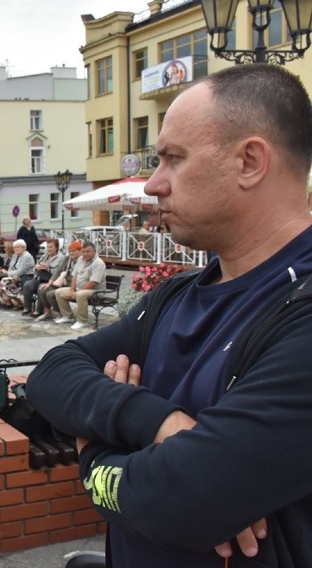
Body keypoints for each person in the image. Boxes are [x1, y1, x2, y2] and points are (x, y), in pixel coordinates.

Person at [25, 64, 312, 567]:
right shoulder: (177, 295)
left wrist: (94, 454)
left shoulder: (300, 311)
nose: (154, 185)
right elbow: (50, 374)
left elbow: (184, 501)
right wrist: (157, 422)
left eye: (173, 159)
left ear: (250, 161)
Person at [53, 241, 105, 330]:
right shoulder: (81, 260)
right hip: (79, 289)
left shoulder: (98, 263)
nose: (85, 254)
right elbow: (75, 276)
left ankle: (82, 321)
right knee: (58, 292)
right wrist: (72, 290)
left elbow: (93, 283)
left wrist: (77, 291)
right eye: (84, 251)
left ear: (94, 252)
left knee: (80, 294)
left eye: (88, 251)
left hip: (96, 291)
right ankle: (68, 316)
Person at [35, 241, 81, 321]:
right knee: (43, 289)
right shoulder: (67, 258)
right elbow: (58, 271)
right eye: (70, 251)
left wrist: (73, 289)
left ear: (80, 250)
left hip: (74, 285)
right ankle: (49, 312)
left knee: (51, 294)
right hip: (63, 283)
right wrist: (49, 283)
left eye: (74, 251)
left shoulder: (81, 260)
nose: (71, 253)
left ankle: (65, 314)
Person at [23, 238, 63, 316]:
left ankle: (39, 310)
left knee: (41, 287)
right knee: (27, 284)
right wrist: (37, 268)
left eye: (51, 247)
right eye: (48, 247)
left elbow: (59, 272)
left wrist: (48, 268)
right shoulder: (45, 256)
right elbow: (34, 268)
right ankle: (27, 307)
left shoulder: (61, 258)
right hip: (40, 278)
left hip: (51, 281)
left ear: (56, 247)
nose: (48, 249)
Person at [0, 239, 34, 308]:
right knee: (1, 283)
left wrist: (8, 273)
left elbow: (20, 271)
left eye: (18, 247)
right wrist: (11, 274)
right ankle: (18, 303)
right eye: (15, 247)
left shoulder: (27, 256)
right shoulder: (15, 255)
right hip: (15, 277)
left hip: (25, 278)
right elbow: (11, 267)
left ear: (24, 248)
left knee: (3, 283)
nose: (16, 249)